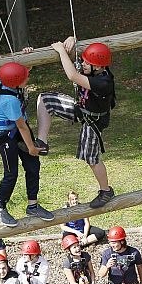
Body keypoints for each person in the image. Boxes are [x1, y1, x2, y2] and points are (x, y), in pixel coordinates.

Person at [37, 38, 117, 209]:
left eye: (87, 62)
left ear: (99, 66)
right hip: (81, 109)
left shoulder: (103, 82)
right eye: (83, 60)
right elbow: (74, 64)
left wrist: (60, 51)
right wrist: (71, 43)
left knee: (91, 157)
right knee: (45, 99)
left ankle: (106, 191)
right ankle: (42, 142)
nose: (83, 64)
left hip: (93, 120)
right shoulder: (93, 69)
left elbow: (72, 75)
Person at [0, 61, 54, 227]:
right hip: (7, 136)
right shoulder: (8, 100)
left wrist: (28, 56)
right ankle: (0, 209)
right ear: (15, 81)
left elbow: (19, 69)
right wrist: (31, 147)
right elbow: (21, 126)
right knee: (11, 173)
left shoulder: (7, 79)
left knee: (33, 166)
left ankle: (33, 205)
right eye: (25, 76)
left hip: (19, 130)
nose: (28, 77)